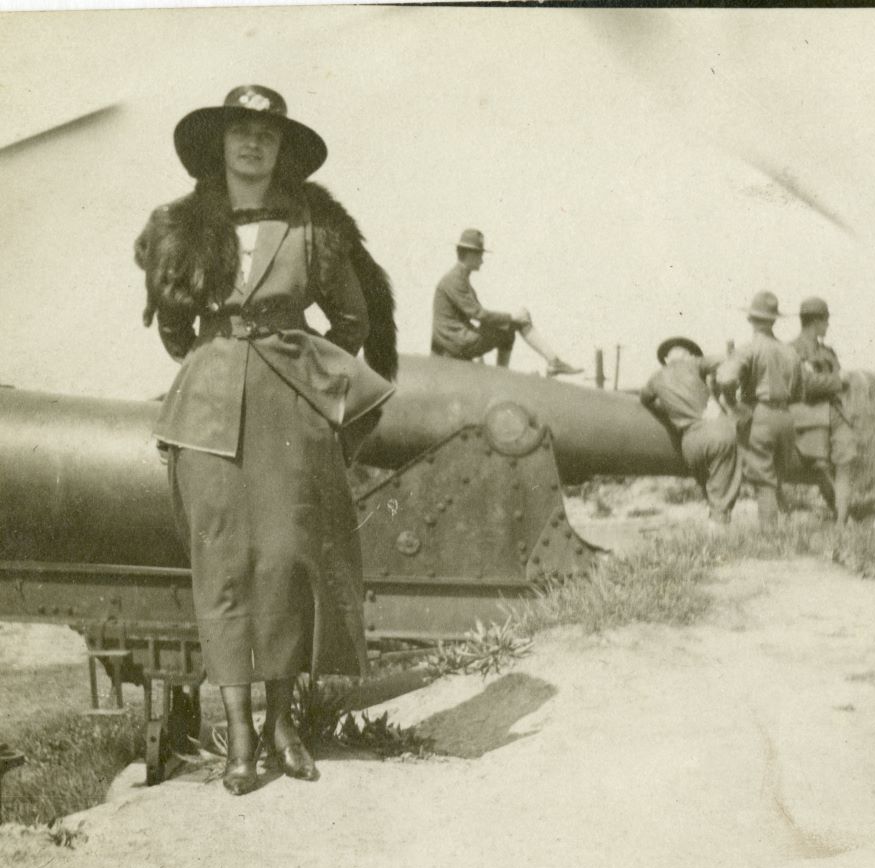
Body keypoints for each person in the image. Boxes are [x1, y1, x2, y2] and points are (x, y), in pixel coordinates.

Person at [134, 85, 397, 796]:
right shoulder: (181, 226)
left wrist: (305, 375)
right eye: (240, 131)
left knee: (286, 563)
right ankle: (239, 740)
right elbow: (172, 328)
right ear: (219, 144)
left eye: (267, 134)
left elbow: (351, 320)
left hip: (293, 413)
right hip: (207, 412)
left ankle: (282, 727)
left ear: (282, 150)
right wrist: (213, 357)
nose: (253, 143)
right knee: (221, 571)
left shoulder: (311, 224)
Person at [431, 229, 581, 376]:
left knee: (508, 326)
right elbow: (479, 314)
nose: (482, 260)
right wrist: (513, 317)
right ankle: (550, 362)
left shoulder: (459, 279)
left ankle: (505, 374)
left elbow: (472, 319)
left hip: (453, 342)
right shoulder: (455, 280)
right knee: (513, 325)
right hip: (454, 345)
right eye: (480, 254)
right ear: (469, 254)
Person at [716, 291, 804, 533]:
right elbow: (798, 394)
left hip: (760, 417)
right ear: (774, 320)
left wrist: (734, 406)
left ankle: (769, 539)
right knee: (776, 476)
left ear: (750, 320)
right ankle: (779, 531)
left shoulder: (749, 350)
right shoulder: (790, 353)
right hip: (785, 418)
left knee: (764, 480)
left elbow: (725, 378)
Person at [639, 336, 741, 524]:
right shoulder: (694, 363)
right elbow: (730, 361)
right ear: (689, 355)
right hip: (716, 431)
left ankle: (711, 538)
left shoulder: (655, 378)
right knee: (722, 496)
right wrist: (725, 395)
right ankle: (720, 545)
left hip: (689, 443)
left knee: (711, 492)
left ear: (667, 359)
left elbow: (644, 398)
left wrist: (667, 406)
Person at [790, 296, 856, 525]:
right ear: (815, 321)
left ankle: (842, 521)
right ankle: (838, 513)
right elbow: (805, 384)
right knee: (821, 467)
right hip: (808, 416)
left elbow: (839, 382)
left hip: (834, 413)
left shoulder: (828, 352)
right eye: (825, 320)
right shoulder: (793, 351)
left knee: (846, 458)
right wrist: (837, 380)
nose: (828, 325)